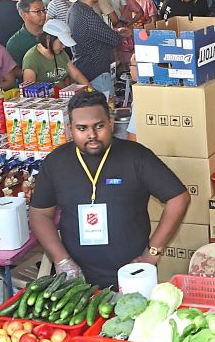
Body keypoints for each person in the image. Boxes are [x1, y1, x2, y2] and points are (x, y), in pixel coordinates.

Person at [29, 91, 189, 287]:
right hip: (76, 277)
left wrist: (152, 253)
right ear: (70, 129)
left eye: (99, 126)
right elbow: (39, 214)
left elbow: (178, 198)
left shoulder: (136, 157)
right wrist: (62, 260)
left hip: (133, 272)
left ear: (111, 123)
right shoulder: (56, 162)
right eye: (82, 128)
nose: (92, 135)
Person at [65, 0, 124, 97]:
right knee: (107, 108)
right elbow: (114, 40)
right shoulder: (87, 16)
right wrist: (117, 34)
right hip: (96, 74)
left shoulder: (74, 10)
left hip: (84, 68)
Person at [23, 20, 89, 88]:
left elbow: (76, 75)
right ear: (48, 39)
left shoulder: (61, 53)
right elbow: (29, 89)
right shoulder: (31, 58)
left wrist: (91, 90)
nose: (64, 47)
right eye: (61, 43)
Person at [4, 0, 49, 71]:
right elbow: (15, 72)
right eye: (38, 11)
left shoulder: (52, 34)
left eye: (44, 10)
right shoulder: (15, 43)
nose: (43, 14)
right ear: (24, 15)